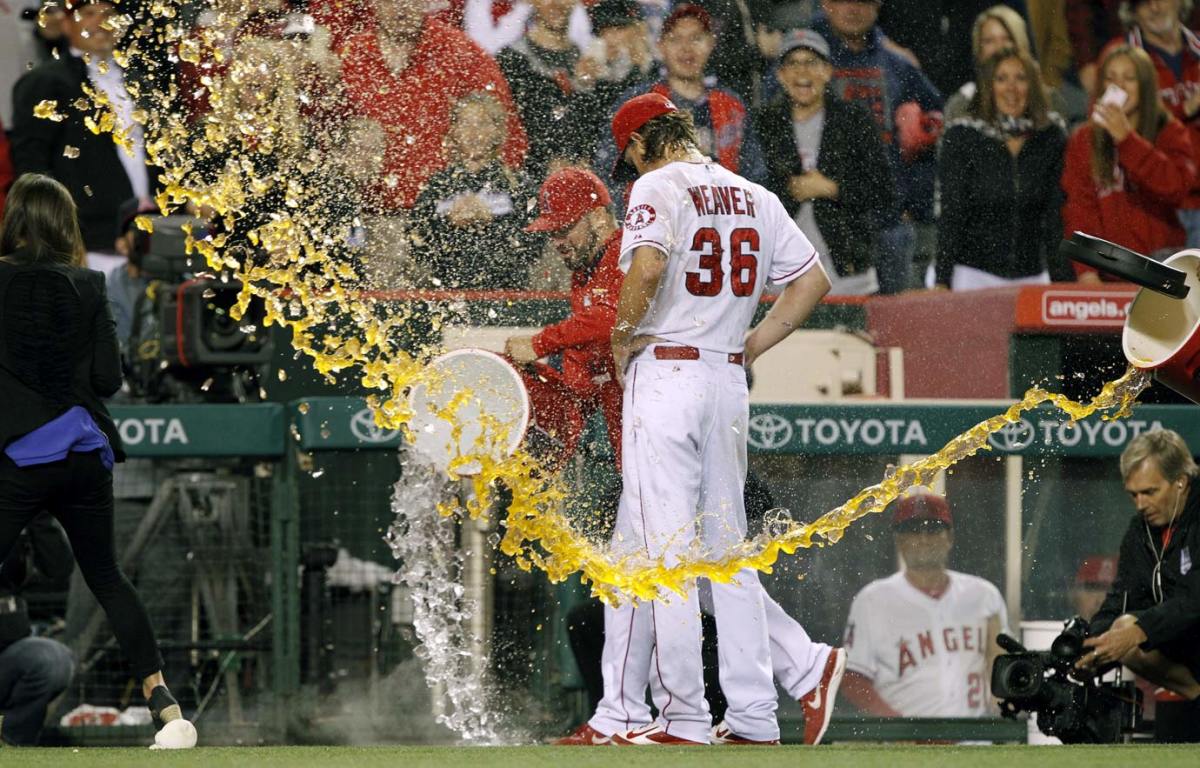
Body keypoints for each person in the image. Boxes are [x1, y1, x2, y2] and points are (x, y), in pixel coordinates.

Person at [587, 92, 839, 746]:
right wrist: (756, 340)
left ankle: (685, 717)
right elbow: (813, 281)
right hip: (727, 374)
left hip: (666, 368)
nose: (630, 168)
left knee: (667, 552)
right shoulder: (754, 192)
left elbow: (648, 264)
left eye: (629, 156)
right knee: (725, 554)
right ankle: (755, 716)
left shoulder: (655, 184)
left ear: (642, 141)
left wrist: (621, 335)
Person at [0, 173, 195, 749]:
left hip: (20, 457)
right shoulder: (88, 284)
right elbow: (109, 379)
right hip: (85, 451)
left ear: (14, 222)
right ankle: (166, 707)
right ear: (66, 225)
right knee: (106, 576)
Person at [338, 0, 528, 211]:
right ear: (373, 4)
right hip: (367, 213)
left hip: (445, 213)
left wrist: (489, 197)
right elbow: (325, 135)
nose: (401, 8)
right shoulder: (353, 56)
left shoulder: (460, 53)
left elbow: (505, 130)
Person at [10, 0, 155, 276]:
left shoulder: (141, 80)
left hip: (149, 240)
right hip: (89, 246)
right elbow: (32, 167)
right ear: (66, 23)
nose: (100, 21)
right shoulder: (46, 82)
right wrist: (58, 241)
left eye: (109, 14)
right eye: (88, 13)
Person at [812, 0, 944, 294]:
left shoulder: (898, 65)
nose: (853, 8)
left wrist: (914, 200)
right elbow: (775, 124)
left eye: (864, 1)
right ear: (825, 4)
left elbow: (936, 126)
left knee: (897, 328)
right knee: (825, 329)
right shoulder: (803, 59)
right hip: (826, 221)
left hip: (889, 220)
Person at [841, 492, 1008, 717]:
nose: (923, 539)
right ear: (899, 540)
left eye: (932, 530)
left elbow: (1003, 669)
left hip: (976, 741)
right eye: (912, 530)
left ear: (949, 537)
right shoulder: (872, 600)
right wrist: (901, 732)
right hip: (907, 746)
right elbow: (853, 680)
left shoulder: (984, 596)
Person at [755, 28, 895, 295]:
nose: (802, 72)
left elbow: (883, 191)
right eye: (792, 64)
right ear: (780, 75)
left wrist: (832, 188)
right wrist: (791, 190)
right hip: (780, 275)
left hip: (849, 274)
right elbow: (753, 189)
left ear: (828, 72)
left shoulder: (854, 120)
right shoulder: (765, 123)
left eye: (811, 62)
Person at [503, 167, 625, 459]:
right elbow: (587, 356)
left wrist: (538, 344)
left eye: (564, 229)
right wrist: (556, 399)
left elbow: (612, 319)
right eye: (551, 233)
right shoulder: (584, 270)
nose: (556, 241)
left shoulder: (628, 251)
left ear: (598, 217)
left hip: (655, 404)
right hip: (621, 415)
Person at [594, 4, 768, 206]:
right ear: (660, 46)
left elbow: (755, 178)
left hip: (721, 226)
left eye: (696, 38)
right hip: (657, 222)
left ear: (711, 43)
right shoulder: (638, 102)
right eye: (675, 39)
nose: (686, 48)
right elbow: (608, 171)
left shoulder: (732, 105)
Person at [1075, 430, 1200, 703]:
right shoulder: (1140, 531)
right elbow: (1120, 600)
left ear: (1180, 481)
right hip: (1185, 644)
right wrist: (1091, 646)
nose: (1141, 504)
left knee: (1130, 629)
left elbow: (1194, 599)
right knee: (1121, 625)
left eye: (1149, 492)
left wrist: (1139, 631)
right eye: (1133, 495)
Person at [935, 48, 1069, 289]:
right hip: (970, 275)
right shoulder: (962, 136)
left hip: (1032, 277)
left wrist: (1062, 284)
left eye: (1021, 78)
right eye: (1001, 78)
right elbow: (951, 213)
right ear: (988, 86)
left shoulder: (1051, 138)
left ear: (1033, 86)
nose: (1011, 88)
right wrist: (942, 281)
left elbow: (1055, 219)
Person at [1062, 45, 1197, 281]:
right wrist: (1086, 271)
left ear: (1145, 86)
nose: (1119, 86)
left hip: (1162, 268)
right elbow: (1080, 209)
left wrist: (1127, 141)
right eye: (1111, 78)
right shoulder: (1084, 139)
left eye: (1129, 78)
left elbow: (1176, 187)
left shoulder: (1169, 130)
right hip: (1108, 273)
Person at [410, 93, 539, 290]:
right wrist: (448, 223)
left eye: (482, 124)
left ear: (497, 131)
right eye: (466, 124)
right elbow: (416, 243)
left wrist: (491, 223)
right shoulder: (438, 185)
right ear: (454, 131)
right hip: (448, 295)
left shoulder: (518, 184)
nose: (473, 133)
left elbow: (532, 247)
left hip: (506, 293)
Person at [1108, 0, 1200, 247]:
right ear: (1131, 10)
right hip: (1158, 213)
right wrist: (1186, 108)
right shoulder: (1120, 58)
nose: (1155, 7)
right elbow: (1110, 127)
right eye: (1143, 2)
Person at [496, 0, 609, 176]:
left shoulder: (590, 64)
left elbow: (600, 133)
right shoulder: (511, 61)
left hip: (582, 181)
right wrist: (541, 165)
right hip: (526, 181)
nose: (556, 4)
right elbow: (503, 129)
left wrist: (584, 87)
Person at [0, 513, 75, 746]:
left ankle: (13, 745)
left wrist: (38, 514)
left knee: (52, 660)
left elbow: (59, 570)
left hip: (7, 653)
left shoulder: (15, 506)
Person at [943, 5, 1035, 122]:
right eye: (989, 41)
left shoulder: (1047, 102)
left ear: (1021, 43)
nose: (999, 48)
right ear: (979, 50)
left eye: (1007, 38)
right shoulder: (961, 106)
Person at [1071, 554, 1119, 621]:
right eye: (1091, 589)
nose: (1100, 600)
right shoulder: (1053, 626)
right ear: (1073, 594)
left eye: (1111, 591)